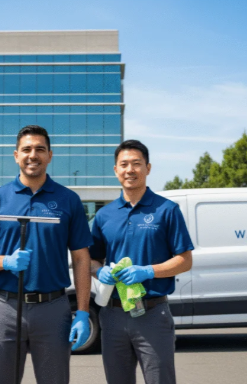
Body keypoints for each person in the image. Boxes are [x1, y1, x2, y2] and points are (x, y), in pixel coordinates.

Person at [0, 125, 92, 384]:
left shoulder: (68, 200)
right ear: (16, 155)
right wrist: (4, 262)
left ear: (50, 155)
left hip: (53, 309)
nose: (32, 155)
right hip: (4, 307)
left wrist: (82, 312)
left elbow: (82, 258)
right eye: (26, 149)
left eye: (39, 149)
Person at [90, 140, 194, 384]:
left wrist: (148, 271)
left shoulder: (167, 210)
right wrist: (99, 270)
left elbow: (185, 260)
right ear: (115, 170)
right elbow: (93, 259)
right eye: (124, 164)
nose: (130, 170)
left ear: (148, 168)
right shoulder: (105, 215)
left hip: (152, 314)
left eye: (136, 164)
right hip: (113, 315)